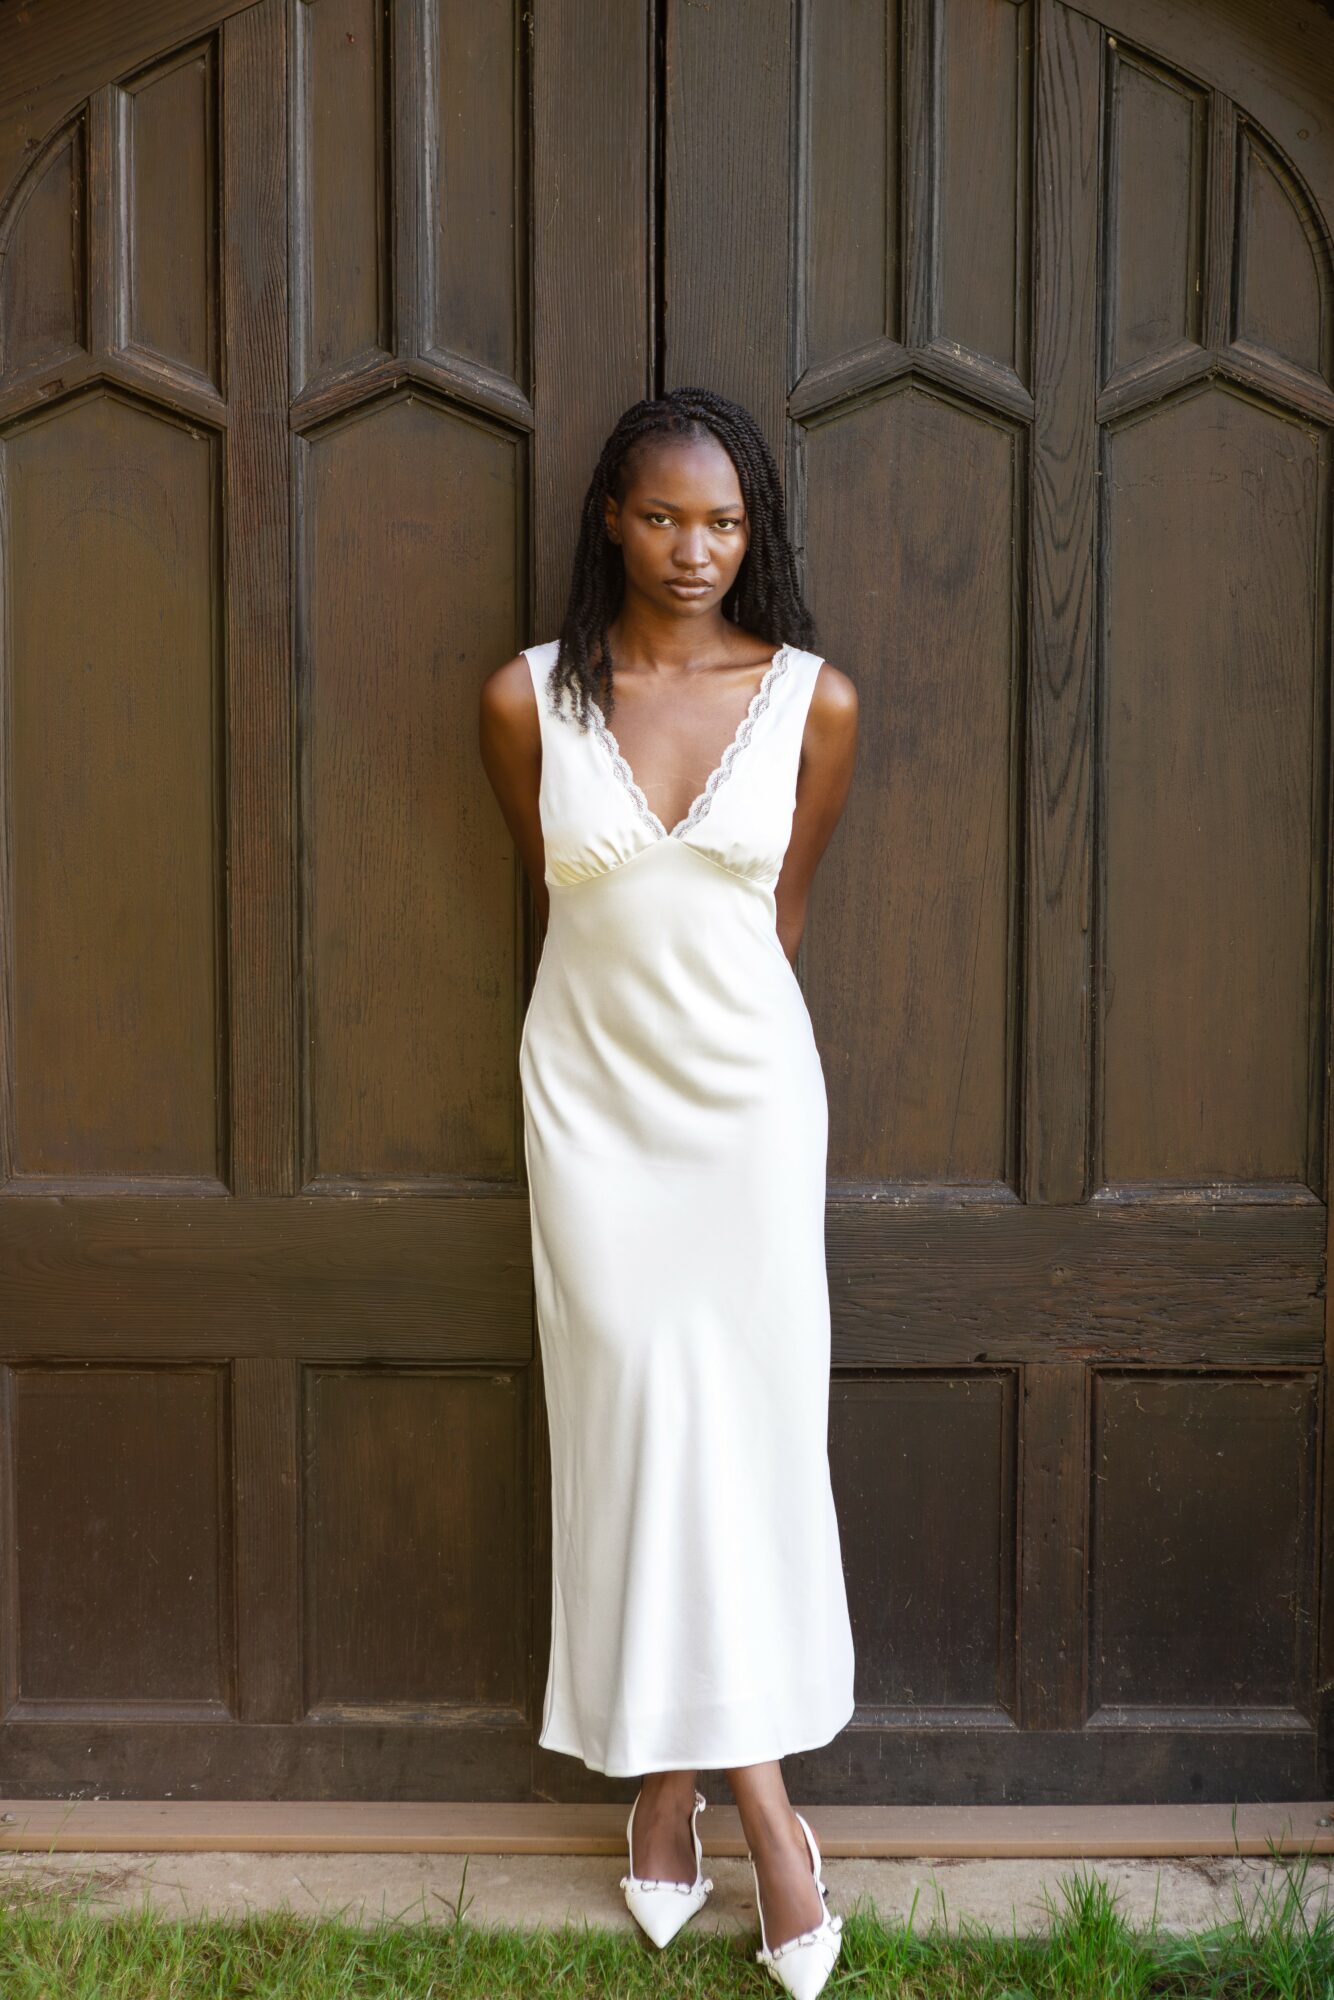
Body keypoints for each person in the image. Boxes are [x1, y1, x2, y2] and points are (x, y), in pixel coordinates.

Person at [479, 387, 860, 1998]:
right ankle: (705, 1787)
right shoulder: (524, 701)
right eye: (660, 517)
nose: (693, 550)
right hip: (591, 1113)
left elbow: (774, 914)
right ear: (609, 524)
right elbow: (567, 898)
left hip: (748, 1120)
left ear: (751, 528)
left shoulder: (812, 702)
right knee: (633, 1428)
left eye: (722, 521)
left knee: (752, 1446)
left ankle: (710, 1791)